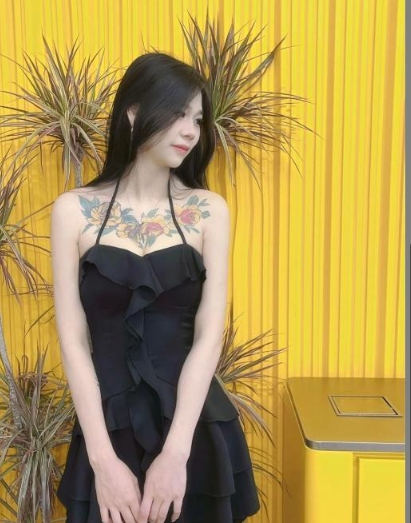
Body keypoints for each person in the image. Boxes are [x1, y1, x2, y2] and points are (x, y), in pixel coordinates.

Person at [51, 52, 260, 523]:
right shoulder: (73, 212)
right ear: (133, 113)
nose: (191, 131)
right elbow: (73, 340)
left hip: (193, 429)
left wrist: (176, 455)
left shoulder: (209, 212)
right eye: (178, 113)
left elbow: (209, 335)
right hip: (108, 433)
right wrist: (102, 461)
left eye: (198, 119)